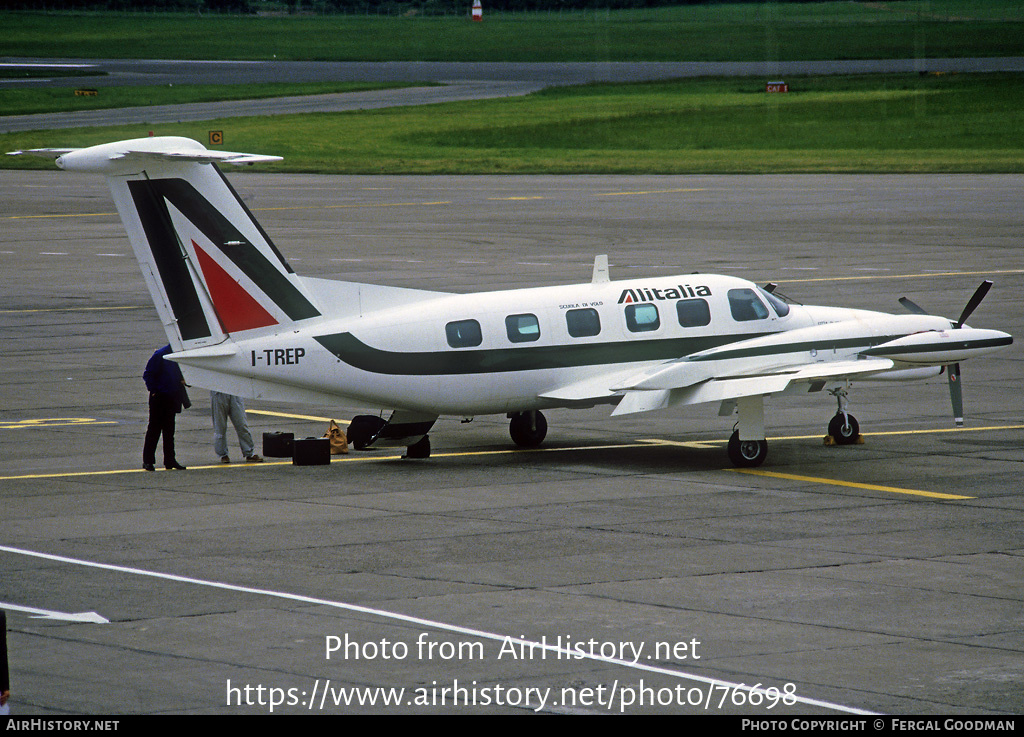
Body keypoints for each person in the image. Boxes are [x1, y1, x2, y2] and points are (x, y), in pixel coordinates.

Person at [142, 345, 189, 471]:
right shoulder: (160, 355)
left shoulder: (178, 355)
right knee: (154, 429)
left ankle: (170, 460)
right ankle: (148, 461)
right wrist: (154, 391)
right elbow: (148, 374)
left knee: (169, 431)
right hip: (159, 397)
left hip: (172, 397)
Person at [211, 391, 263, 464]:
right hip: (218, 393)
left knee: (242, 424)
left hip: (235, 392)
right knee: (220, 427)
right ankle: (223, 455)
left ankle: (249, 453)